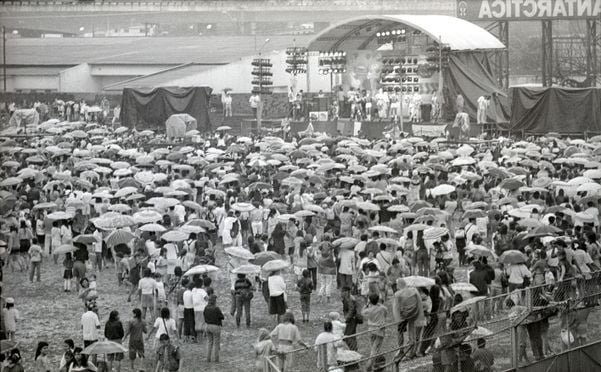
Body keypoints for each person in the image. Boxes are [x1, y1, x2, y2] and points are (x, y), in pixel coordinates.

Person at [392, 278, 424, 359]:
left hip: (403, 316)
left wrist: (398, 321)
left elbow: (396, 308)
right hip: (414, 313)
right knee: (412, 334)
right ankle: (412, 351)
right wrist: (420, 314)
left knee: (400, 332)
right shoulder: (414, 290)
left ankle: (401, 349)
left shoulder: (397, 294)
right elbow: (419, 301)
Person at [362, 293, 388, 371]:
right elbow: (386, 311)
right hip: (379, 330)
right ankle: (369, 366)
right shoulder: (382, 308)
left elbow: (362, 312)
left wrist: (366, 304)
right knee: (375, 349)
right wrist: (378, 303)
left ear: (369, 301)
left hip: (371, 330)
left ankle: (375, 364)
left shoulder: (368, 310)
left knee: (373, 347)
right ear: (378, 300)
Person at [203, 294, 224, 362]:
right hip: (215, 326)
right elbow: (222, 317)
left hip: (208, 326)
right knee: (216, 343)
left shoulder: (206, 307)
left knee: (209, 342)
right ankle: (216, 359)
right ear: (214, 301)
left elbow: (204, 315)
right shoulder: (216, 308)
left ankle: (208, 358)